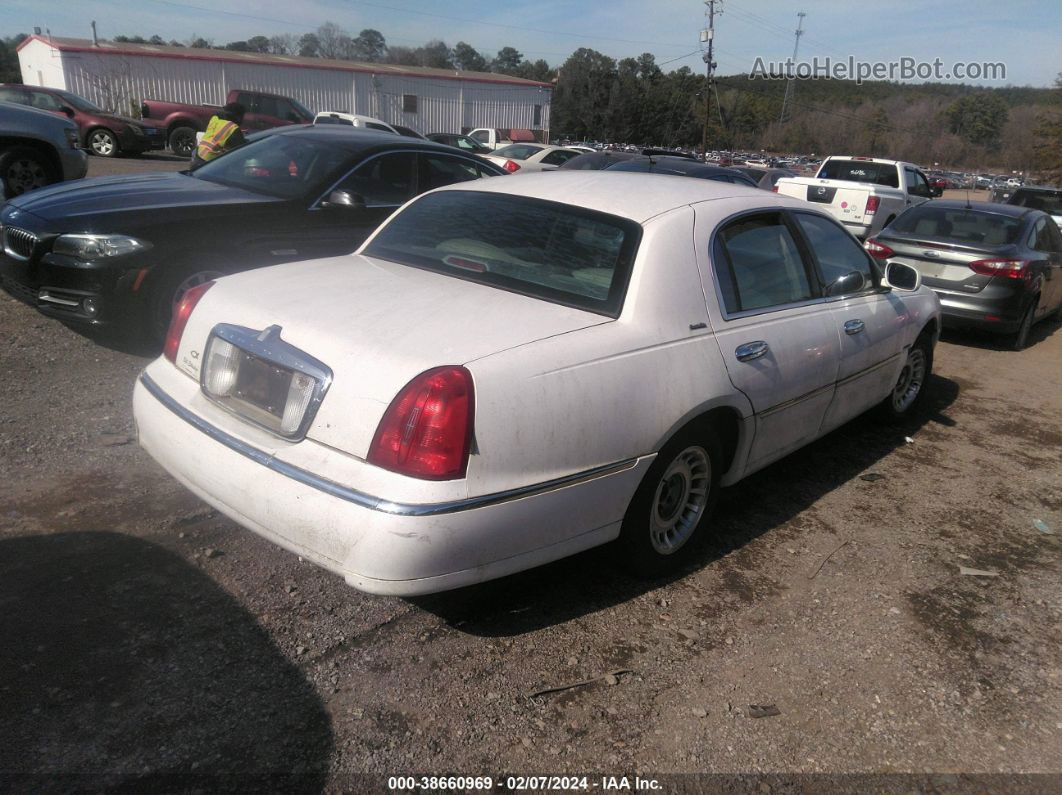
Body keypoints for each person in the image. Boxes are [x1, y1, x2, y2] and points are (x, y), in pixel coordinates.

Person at [191, 102, 246, 167]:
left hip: (198, 156)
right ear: (238, 116)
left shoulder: (214, 119)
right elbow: (240, 150)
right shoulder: (233, 128)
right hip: (211, 163)